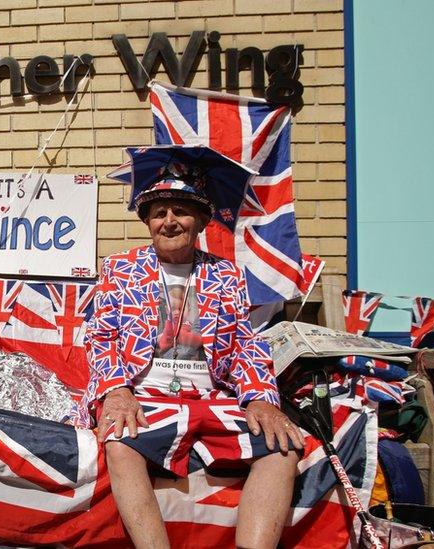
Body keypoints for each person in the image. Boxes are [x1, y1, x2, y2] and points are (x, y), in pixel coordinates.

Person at [84, 147, 304, 549]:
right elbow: (101, 337)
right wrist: (117, 390)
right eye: (158, 212)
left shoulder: (227, 274)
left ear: (201, 220)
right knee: (119, 441)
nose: (169, 221)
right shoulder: (119, 268)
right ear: (147, 221)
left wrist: (260, 398)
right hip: (145, 395)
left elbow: (243, 345)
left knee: (282, 446)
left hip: (211, 396)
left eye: (181, 211)